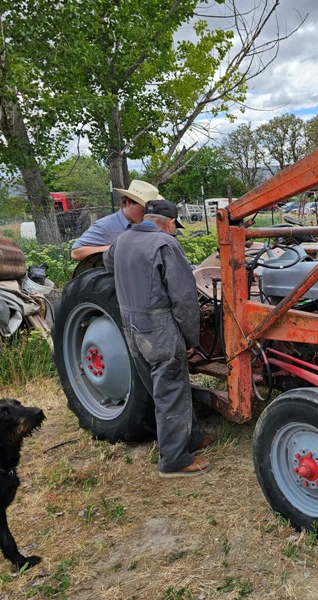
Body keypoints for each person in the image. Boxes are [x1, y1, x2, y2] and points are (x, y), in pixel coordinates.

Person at [104, 199, 213, 477]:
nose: (175, 230)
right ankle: (174, 460)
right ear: (170, 222)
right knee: (171, 391)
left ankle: (191, 438)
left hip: (131, 327)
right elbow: (184, 298)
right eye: (176, 226)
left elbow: (108, 264)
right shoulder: (166, 244)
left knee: (162, 389)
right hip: (160, 329)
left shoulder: (122, 239)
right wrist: (192, 339)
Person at [70, 180, 164, 261]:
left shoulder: (147, 224)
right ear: (128, 203)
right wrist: (116, 248)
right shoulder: (106, 225)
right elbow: (76, 253)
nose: (145, 215)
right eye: (143, 210)